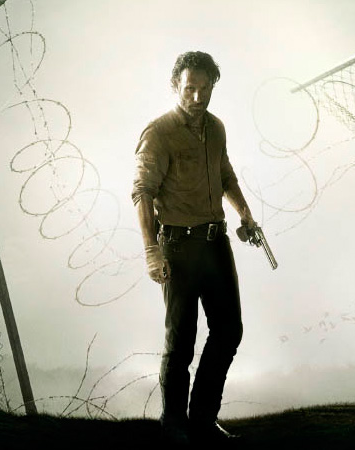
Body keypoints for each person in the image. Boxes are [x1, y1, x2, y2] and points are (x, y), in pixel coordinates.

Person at [132, 50, 256, 445]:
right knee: (181, 341)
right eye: (190, 88)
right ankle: (174, 425)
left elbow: (225, 174)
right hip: (178, 247)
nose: (198, 97)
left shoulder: (216, 128)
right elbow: (142, 191)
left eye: (205, 88)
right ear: (176, 86)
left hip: (215, 242)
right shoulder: (158, 132)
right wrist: (151, 251)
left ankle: (202, 419)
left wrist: (245, 215)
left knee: (229, 330)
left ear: (213, 86)